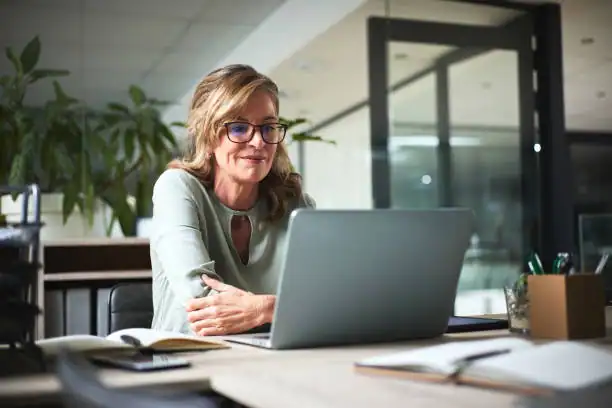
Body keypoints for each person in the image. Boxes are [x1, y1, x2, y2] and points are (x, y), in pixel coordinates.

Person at [149, 64, 315, 336]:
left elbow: (324, 303)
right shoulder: (178, 188)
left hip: (274, 362)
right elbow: (203, 302)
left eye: (268, 127)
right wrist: (282, 308)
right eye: (239, 128)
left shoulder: (296, 205)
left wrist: (262, 309)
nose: (258, 142)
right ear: (208, 134)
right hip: (186, 361)